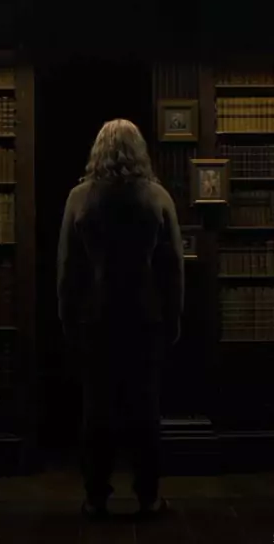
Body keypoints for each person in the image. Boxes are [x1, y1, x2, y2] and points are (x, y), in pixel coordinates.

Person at [57, 119, 184, 520]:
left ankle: (96, 496)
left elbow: (66, 270)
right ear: (139, 151)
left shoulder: (79, 198)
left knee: (97, 411)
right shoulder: (157, 197)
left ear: (98, 151)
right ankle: (148, 496)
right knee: (145, 410)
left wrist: (66, 319)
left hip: (96, 316)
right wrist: (174, 318)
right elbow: (174, 268)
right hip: (145, 315)